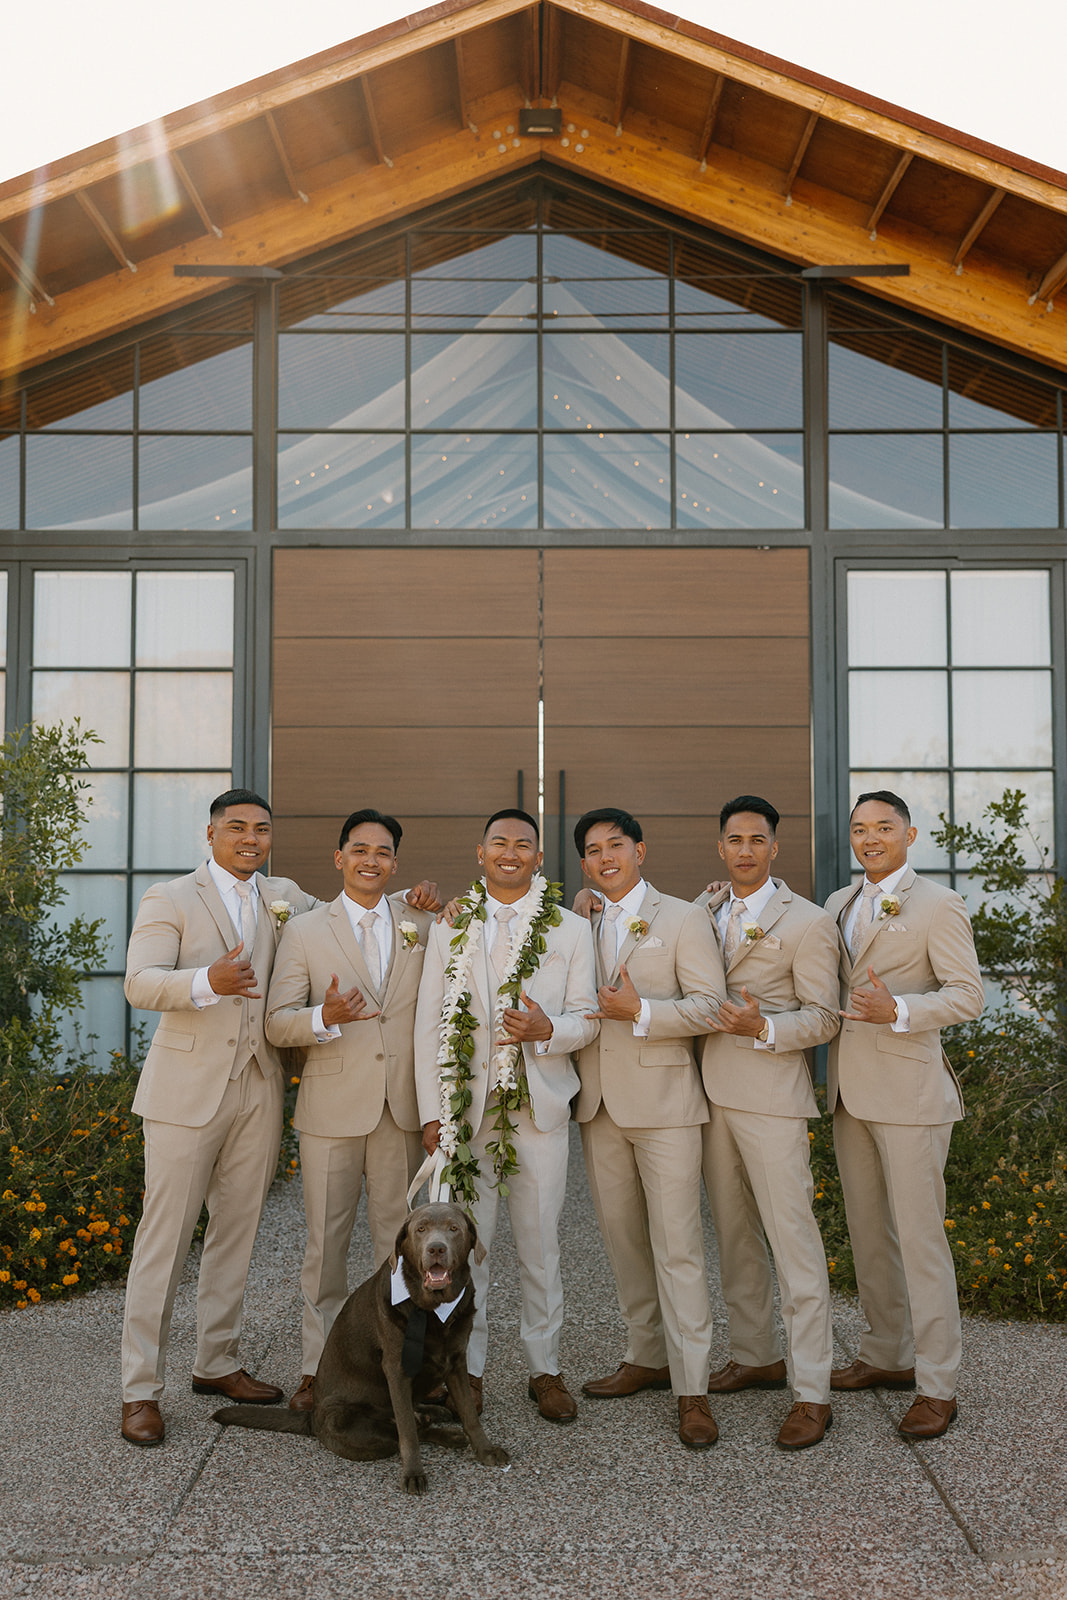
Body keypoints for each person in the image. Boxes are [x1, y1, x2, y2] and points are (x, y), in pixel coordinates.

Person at [119, 789, 319, 1446]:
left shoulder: (284, 895)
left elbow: (349, 917)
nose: (250, 838)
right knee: (165, 1241)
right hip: (185, 1092)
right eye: (236, 828)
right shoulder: (170, 897)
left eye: (261, 829)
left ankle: (216, 1362)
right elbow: (140, 981)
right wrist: (208, 981)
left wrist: (418, 906)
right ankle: (140, 1389)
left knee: (235, 1234)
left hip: (259, 1085)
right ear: (210, 835)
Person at [414, 809, 597, 1422]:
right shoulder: (452, 926)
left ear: (539, 857)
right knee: (469, 1248)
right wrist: (433, 1111)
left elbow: (587, 1018)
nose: (511, 851)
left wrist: (549, 1030)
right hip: (465, 1116)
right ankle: (466, 1372)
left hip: (537, 1110)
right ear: (481, 852)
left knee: (541, 1247)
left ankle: (545, 1369)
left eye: (524, 844)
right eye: (500, 842)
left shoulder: (570, 929)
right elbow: (428, 1022)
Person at [825, 791, 984, 1439]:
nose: (870, 838)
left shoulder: (938, 904)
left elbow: (967, 995)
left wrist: (900, 1011)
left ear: (908, 835)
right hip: (849, 1093)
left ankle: (937, 1384)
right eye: (860, 828)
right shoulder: (838, 903)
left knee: (920, 1242)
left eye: (883, 828)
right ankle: (886, 1353)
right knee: (869, 1234)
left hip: (912, 1095)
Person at [264, 809, 435, 1414]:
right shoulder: (305, 931)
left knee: (399, 1250)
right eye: (359, 849)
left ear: (395, 862)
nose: (371, 860)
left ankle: (399, 1369)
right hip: (331, 1111)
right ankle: (317, 1370)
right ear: (339, 858)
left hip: (400, 1110)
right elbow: (277, 1022)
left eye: (383, 852)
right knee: (325, 1249)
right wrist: (324, 1017)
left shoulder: (423, 922)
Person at [573, 808, 725, 1449]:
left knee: (678, 1248)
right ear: (584, 864)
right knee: (624, 1243)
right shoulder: (578, 921)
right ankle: (647, 1356)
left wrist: (641, 1011)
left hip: (666, 1107)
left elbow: (711, 1007)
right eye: (592, 850)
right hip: (599, 1107)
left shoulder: (683, 918)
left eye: (616, 845)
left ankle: (693, 1389)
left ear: (640, 850)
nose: (605, 857)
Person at [699, 796, 841, 1449]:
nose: (745, 850)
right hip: (711, 1095)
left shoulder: (808, 922)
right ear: (721, 847)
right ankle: (756, 1355)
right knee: (734, 1237)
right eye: (735, 839)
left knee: (793, 1243)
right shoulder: (702, 910)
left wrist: (764, 1026)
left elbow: (824, 1016)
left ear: (774, 848)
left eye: (757, 839)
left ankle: (812, 1392)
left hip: (774, 1096)